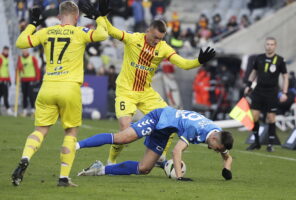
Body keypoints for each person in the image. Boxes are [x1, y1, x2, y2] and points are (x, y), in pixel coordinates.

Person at [79, 0, 216, 165]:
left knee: (171, 120)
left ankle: (161, 156)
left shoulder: (163, 47)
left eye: (160, 39)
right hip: (126, 91)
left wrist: (198, 61)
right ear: (148, 30)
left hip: (146, 92)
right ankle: (111, 161)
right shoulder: (133, 39)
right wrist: (101, 17)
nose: (156, 41)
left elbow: (184, 64)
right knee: (125, 129)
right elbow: (112, 31)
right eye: (155, 37)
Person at [11, 0, 109, 187]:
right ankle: (64, 177)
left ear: (58, 16)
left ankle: (25, 157)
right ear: (77, 17)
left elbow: (20, 42)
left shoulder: (46, 32)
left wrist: (32, 24)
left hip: (47, 87)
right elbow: (103, 34)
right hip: (69, 87)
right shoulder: (80, 32)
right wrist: (99, 17)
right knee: (71, 132)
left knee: (40, 130)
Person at [76, 106, 234, 181]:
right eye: (217, 149)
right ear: (214, 139)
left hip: (165, 130)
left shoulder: (217, 133)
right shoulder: (196, 129)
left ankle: (99, 170)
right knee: (122, 138)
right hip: (159, 118)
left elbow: (227, 157)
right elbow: (177, 151)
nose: (216, 151)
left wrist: (227, 170)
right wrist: (179, 177)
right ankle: (76, 145)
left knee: (144, 168)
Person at [244, 37, 288, 152]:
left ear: (275, 46)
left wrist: (284, 92)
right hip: (258, 91)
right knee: (254, 116)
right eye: (267, 44)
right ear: (265, 46)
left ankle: (270, 144)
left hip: (272, 92)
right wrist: (249, 85)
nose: (269, 46)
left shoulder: (280, 60)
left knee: (271, 117)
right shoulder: (259, 58)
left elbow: (285, 76)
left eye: (272, 44)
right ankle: (256, 142)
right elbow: (253, 72)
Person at [16, 49, 41, 116]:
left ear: (28, 51)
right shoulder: (20, 59)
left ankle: (33, 110)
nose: (24, 52)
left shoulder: (32, 58)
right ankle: (25, 111)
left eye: (26, 50)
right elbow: (17, 70)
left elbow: (37, 68)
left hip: (31, 80)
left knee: (31, 95)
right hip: (23, 80)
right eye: (23, 51)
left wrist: (37, 78)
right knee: (24, 95)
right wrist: (16, 79)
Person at [0, 46, 13, 115]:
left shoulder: (6, 58)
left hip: (5, 80)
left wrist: (9, 80)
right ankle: (8, 109)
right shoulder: (1, 58)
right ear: (3, 50)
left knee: (4, 95)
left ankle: (7, 109)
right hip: (1, 81)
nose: (6, 52)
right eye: (5, 50)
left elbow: (6, 70)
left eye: (7, 51)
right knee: (5, 95)